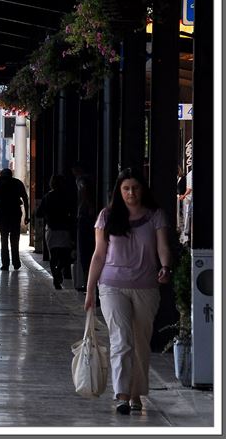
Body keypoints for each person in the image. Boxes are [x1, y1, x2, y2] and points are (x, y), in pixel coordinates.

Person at [83, 167, 172, 415]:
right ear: (118, 191)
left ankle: (136, 393)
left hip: (146, 286)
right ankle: (121, 394)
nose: (130, 193)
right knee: (121, 339)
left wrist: (165, 267)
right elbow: (99, 254)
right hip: (112, 285)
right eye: (125, 188)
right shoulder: (107, 216)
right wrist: (90, 290)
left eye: (134, 187)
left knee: (140, 341)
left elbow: (163, 247)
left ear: (142, 189)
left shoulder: (156, 216)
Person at [36, 174, 75, 289]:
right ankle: (59, 269)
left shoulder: (47, 197)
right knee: (65, 255)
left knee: (53, 256)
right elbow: (72, 212)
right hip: (64, 229)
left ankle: (56, 278)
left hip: (52, 229)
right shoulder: (67, 197)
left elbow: (39, 213)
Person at [0, 168, 30, 270]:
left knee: (4, 239)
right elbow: (25, 199)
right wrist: (27, 215)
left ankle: (5, 264)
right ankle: (16, 263)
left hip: (2, 214)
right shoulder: (17, 183)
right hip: (15, 213)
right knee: (15, 239)